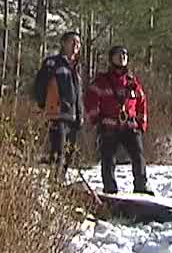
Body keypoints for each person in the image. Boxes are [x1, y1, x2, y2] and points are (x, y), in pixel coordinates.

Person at [86, 45, 150, 196]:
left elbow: (142, 102)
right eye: (118, 54)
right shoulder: (102, 81)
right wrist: (95, 119)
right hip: (109, 127)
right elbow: (91, 99)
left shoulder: (132, 82)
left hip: (130, 126)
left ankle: (141, 186)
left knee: (138, 156)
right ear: (111, 58)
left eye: (125, 55)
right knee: (108, 159)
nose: (122, 57)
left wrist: (142, 124)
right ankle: (110, 188)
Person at [33, 31, 85, 175]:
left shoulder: (76, 67)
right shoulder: (52, 63)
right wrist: (44, 105)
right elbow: (39, 85)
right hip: (57, 114)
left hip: (73, 117)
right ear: (63, 43)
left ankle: (60, 180)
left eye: (78, 43)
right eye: (72, 41)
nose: (76, 45)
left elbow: (78, 94)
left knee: (69, 154)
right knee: (58, 152)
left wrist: (80, 114)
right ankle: (54, 183)